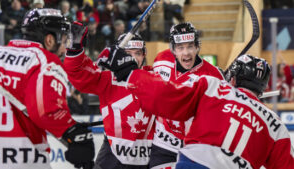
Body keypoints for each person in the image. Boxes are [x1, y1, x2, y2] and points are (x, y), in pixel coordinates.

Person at [108, 53, 294, 168]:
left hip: (196, 163)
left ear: (234, 79)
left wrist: (133, 73)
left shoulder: (214, 86)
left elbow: (168, 97)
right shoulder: (276, 125)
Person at [0, 8, 95, 169]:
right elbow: (47, 110)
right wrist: (73, 131)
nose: (64, 49)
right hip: (21, 157)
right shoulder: (45, 61)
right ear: (49, 40)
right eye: (63, 40)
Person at [64, 26, 155, 169]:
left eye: (137, 53)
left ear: (144, 56)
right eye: (127, 53)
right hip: (111, 158)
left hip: (148, 158)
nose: (132, 58)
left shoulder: (155, 78)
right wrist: (74, 49)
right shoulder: (108, 79)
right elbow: (78, 74)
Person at [149, 22, 225, 169]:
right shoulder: (161, 60)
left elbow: (220, 115)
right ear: (173, 49)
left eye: (190, 46)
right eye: (180, 47)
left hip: (195, 151)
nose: (186, 53)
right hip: (163, 146)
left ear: (197, 47)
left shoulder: (213, 75)